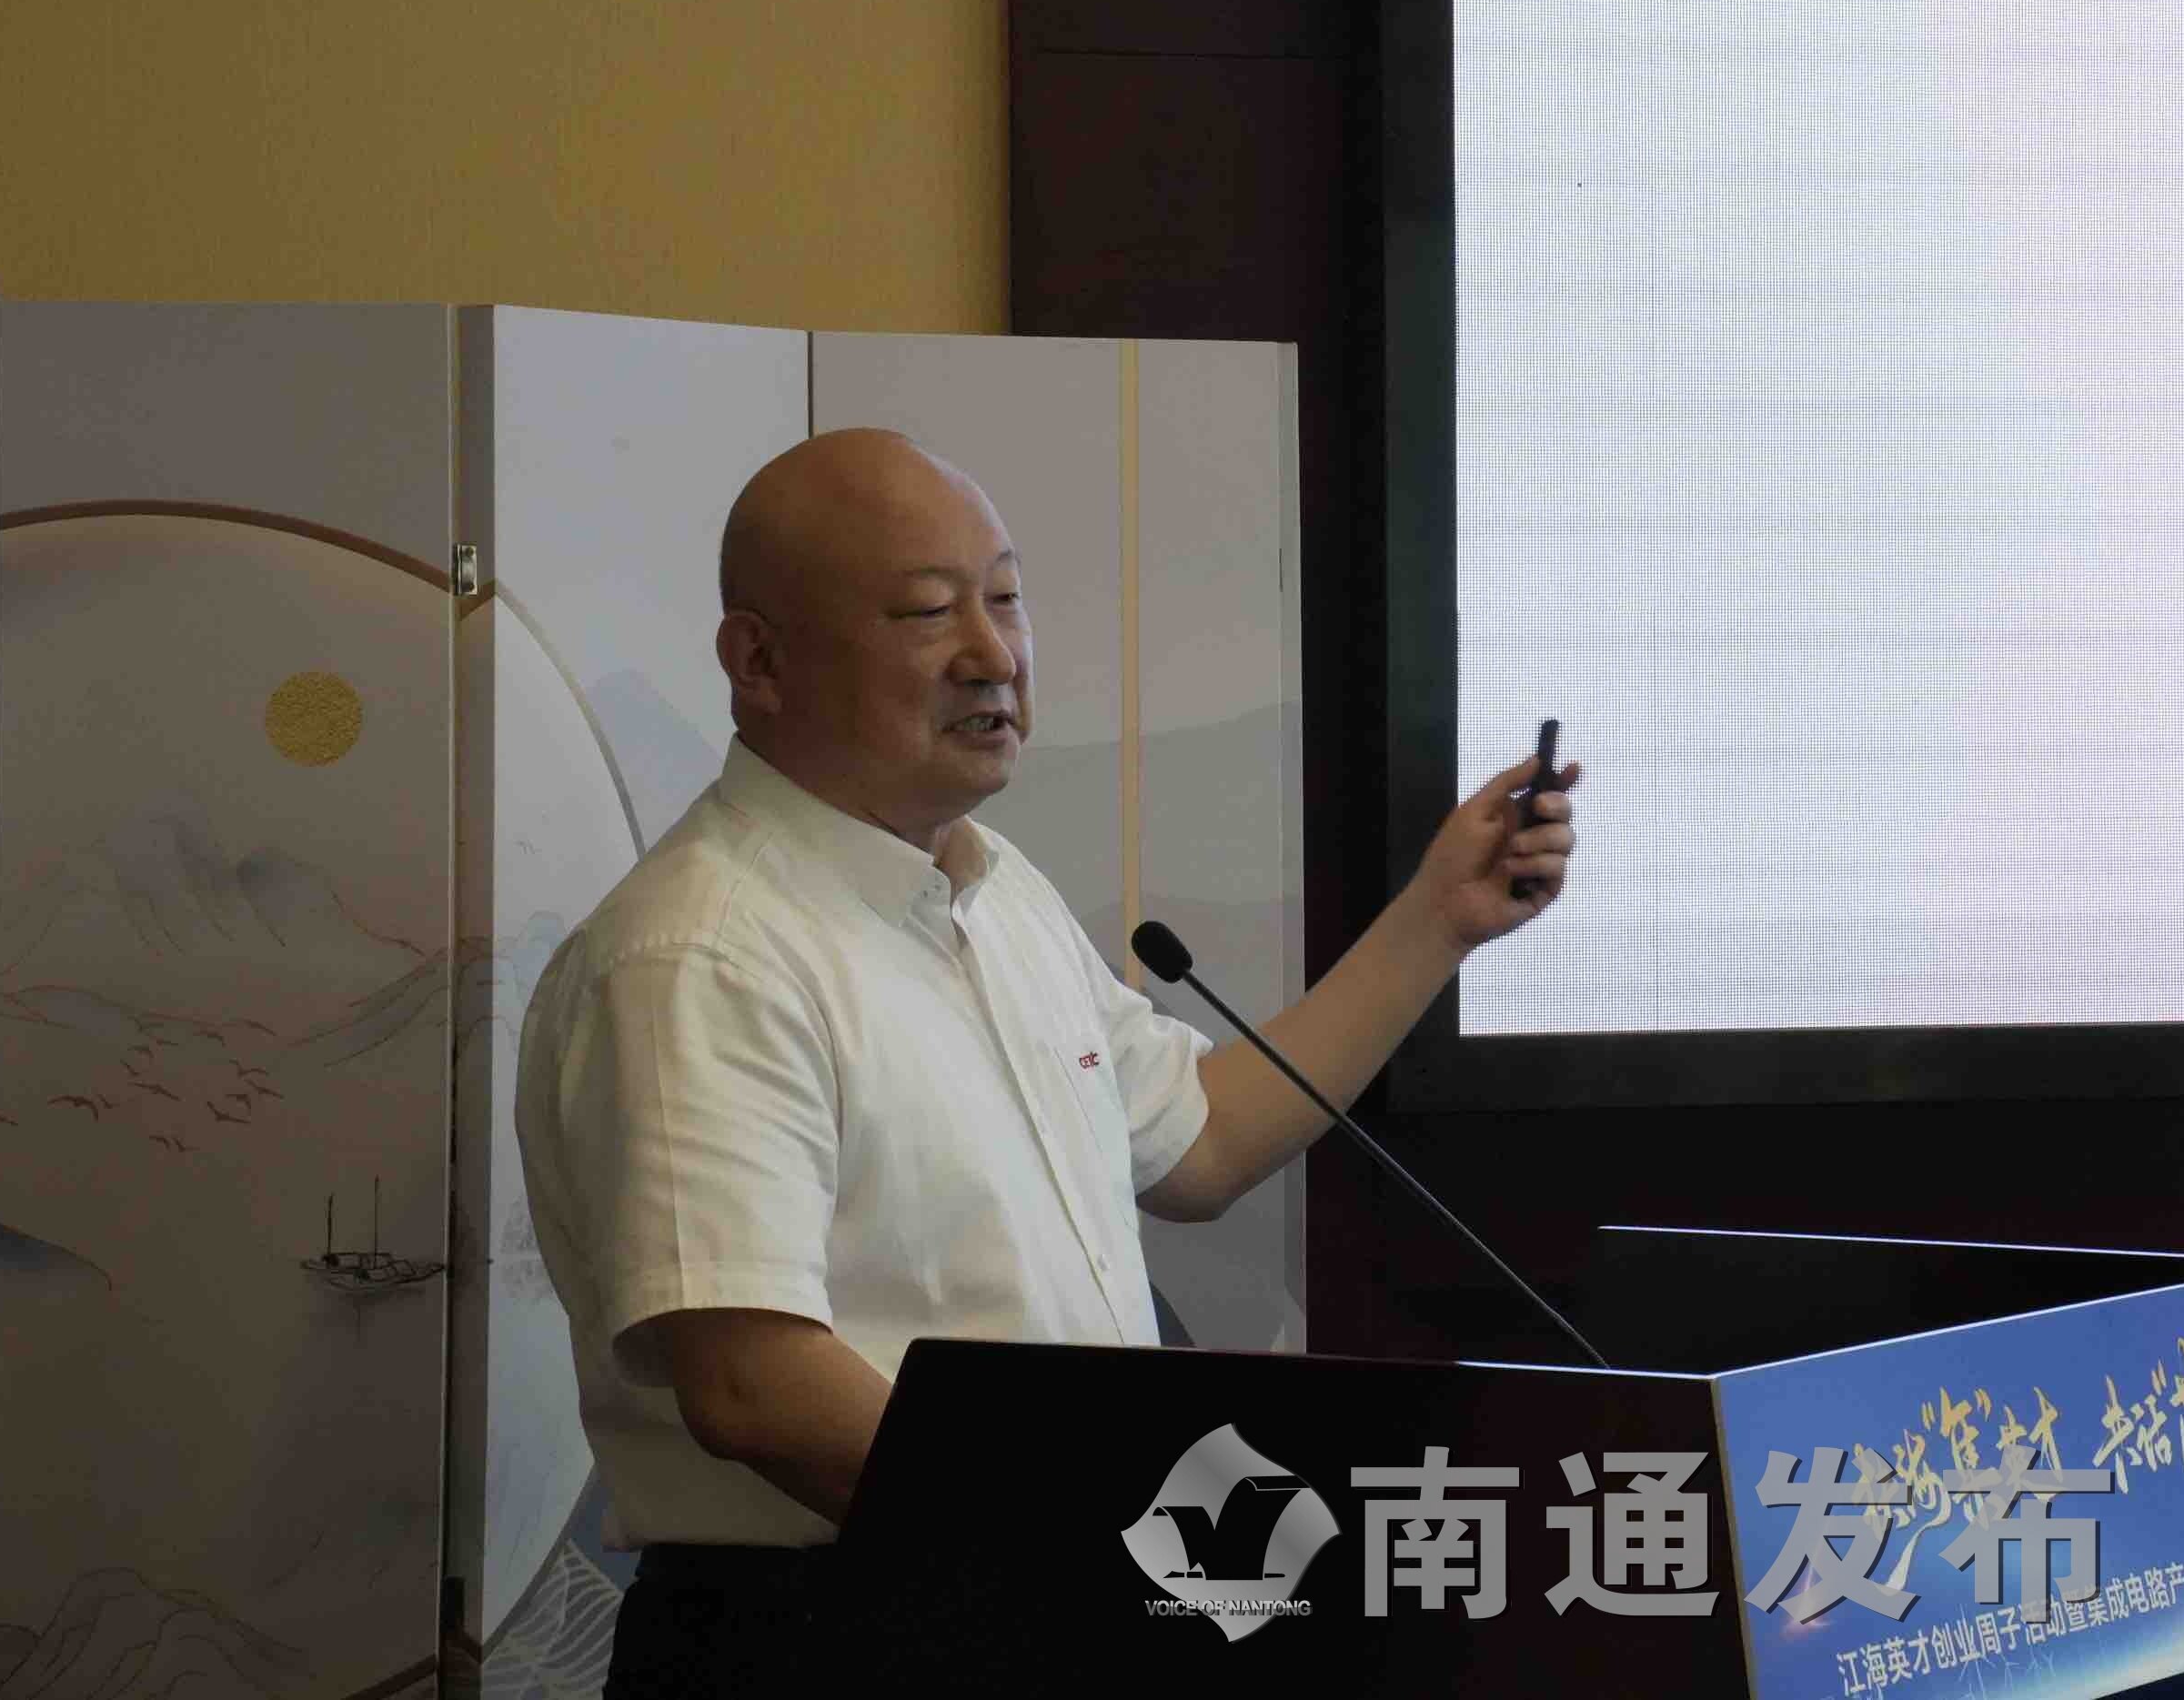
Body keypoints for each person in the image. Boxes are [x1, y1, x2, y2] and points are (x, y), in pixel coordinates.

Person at [513, 427, 1575, 1698]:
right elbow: (752, 1382)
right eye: (926, 611)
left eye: (1007, 599)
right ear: (760, 660)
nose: (994, 653)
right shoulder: (701, 954)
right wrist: (1087, 1545)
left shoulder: (990, 889)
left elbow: (1202, 1139)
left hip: (1025, 1595)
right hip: (828, 1630)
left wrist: (1440, 918)